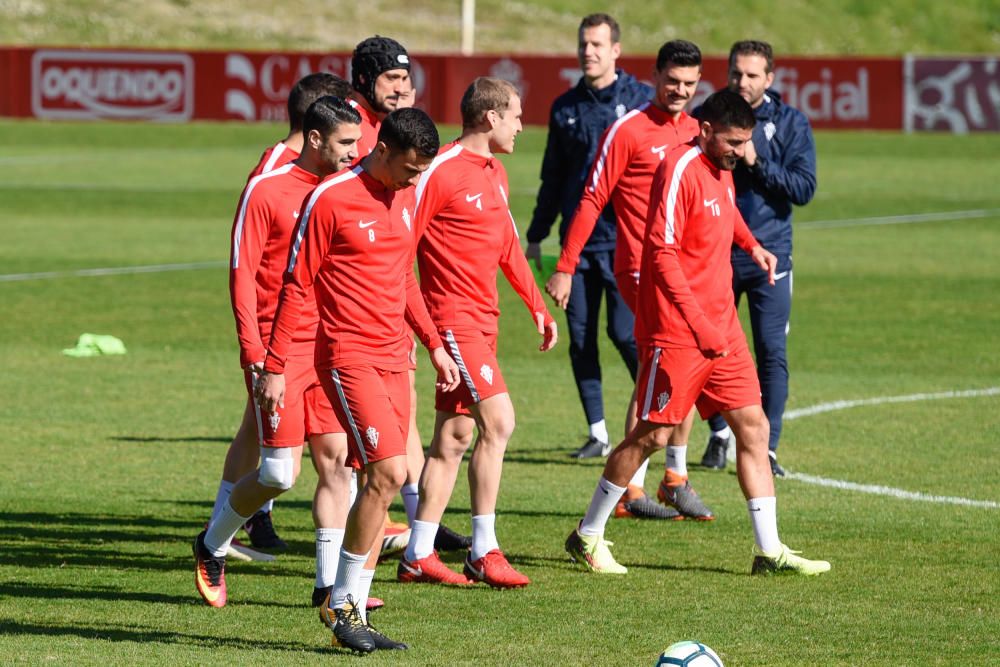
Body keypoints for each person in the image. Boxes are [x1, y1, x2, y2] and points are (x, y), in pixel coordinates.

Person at [564, 90, 830, 578]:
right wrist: (699, 325)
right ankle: (587, 535)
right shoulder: (678, 168)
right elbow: (661, 254)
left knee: (754, 427)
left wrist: (754, 248)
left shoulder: (723, 169)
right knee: (652, 434)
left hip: (720, 326)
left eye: (745, 141)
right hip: (679, 331)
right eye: (732, 141)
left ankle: (768, 552)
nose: (739, 151)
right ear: (704, 130)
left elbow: (726, 216)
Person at [257, 108, 460, 653]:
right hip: (347, 357)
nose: (415, 181)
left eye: (422, 172)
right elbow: (296, 285)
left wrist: (435, 344)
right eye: (410, 170)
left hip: (397, 357)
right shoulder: (331, 198)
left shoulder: (406, 196)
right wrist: (275, 367)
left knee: (384, 482)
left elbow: (404, 279)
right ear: (384, 149)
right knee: (389, 472)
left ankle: (349, 605)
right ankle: (341, 602)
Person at [193, 96, 362, 612]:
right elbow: (242, 276)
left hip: (328, 347)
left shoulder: (344, 190)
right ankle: (211, 543)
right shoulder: (267, 190)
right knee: (278, 476)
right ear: (315, 139)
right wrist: (258, 357)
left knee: (338, 465)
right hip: (276, 350)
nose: (355, 153)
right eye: (346, 143)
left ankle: (329, 587)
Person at [396, 77, 558, 589]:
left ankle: (418, 554)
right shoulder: (439, 171)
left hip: (484, 323)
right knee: (501, 421)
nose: (521, 125)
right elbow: (400, 249)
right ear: (490, 118)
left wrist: (537, 306)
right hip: (452, 323)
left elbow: (508, 244)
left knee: (455, 436)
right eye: (515, 115)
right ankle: (483, 550)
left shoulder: (496, 172)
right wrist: (422, 333)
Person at [545, 40, 710, 521]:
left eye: (689, 84)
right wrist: (565, 264)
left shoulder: (700, 131)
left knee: (663, 373)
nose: (679, 91)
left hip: (686, 273)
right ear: (653, 77)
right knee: (670, 369)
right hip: (640, 270)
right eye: (672, 81)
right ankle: (658, 482)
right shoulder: (629, 130)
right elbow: (593, 198)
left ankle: (650, 483)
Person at [349, 34, 472, 552]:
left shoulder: (398, 135)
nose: (402, 89)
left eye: (406, 78)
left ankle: (419, 520)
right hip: (353, 310)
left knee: (400, 420)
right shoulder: (355, 136)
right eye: (391, 79)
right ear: (364, 82)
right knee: (342, 444)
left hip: (392, 299)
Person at [525, 13, 651, 460]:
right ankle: (598, 432)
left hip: (627, 242)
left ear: (616, 50)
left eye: (598, 44)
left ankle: (663, 408)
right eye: (584, 44)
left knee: (625, 333)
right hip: (577, 244)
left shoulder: (642, 100)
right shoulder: (565, 107)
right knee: (580, 339)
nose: (589, 51)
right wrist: (537, 234)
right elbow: (553, 177)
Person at [698, 41, 817, 477]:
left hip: (770, 255)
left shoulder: (790, 124)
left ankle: (766, 448)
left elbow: (804, 189)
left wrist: (756, 161)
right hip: (714, 257)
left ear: (769, 79)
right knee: (705, 351)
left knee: (771, 352)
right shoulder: (708, 121)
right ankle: (718, 433)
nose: (742, 82)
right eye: (736, 74)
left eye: (752, 75)